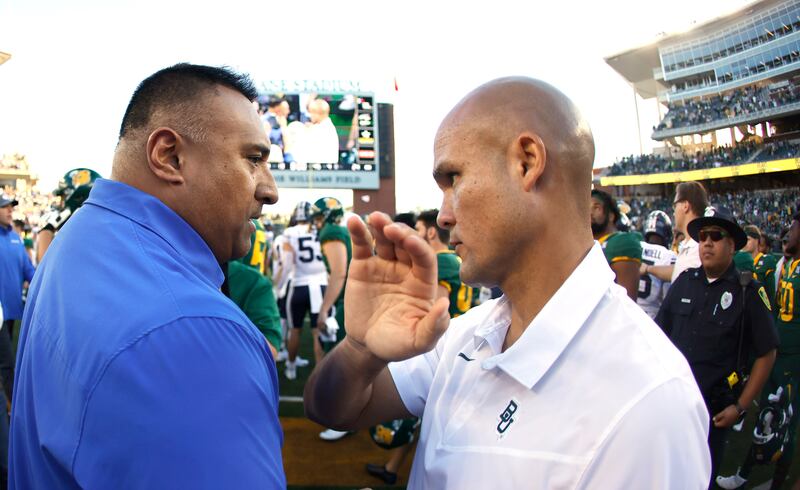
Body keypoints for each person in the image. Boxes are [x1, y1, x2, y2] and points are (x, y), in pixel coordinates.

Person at [304, 77, 710, 488]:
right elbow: (332, 408)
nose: (443, 215)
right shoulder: (467, 333)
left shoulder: (648, 402)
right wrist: (360, 350)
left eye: (454, 179)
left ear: (527, 162)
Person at [9, 63, 286, 488]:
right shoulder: (194, 328)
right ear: (169, 156)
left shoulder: (79, 238)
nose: (269, 190)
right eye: (253, 159)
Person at [655, 206, 777, 489]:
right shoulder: (684, 283)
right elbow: (658, 337)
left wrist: (740, 406)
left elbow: (767, 352)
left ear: (732, 245)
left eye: (716, 236)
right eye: (703, 237)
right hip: (673, 405)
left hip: (713, 413)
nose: (707, 242)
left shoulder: (747, 292)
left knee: (701, 481)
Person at [365, 208, 472, 485]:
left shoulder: (441, 261)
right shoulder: (456, 258)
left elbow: (435, 308)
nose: (417, 232)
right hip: (460, 340)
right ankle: (392, 467)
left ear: (432, 232)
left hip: (444, 345)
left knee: (432, 416)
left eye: (421, 229)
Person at [717, 213, 800, 490]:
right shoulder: (784, 264)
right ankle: (745, 473)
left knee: (784, 422)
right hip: (779, 352)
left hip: (796, 359)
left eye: (795, 228)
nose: (789, 233)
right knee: (768, 416)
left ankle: (776, 481)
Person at [310, 197, 355, 442]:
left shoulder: (332, 232)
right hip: (350, 297)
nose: (316, 222)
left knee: (339, 360)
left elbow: (339, 272)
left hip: (346, 300)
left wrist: (325, 308)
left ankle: (342, 419)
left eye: (318, 217)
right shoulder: (340, 229)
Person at [283, 200, 327, 378]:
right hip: (321, 286)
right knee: (318, 331)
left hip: (299, 284)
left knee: (295, 329)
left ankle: (291, 368)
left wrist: (279, 286)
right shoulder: (322, 231)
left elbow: (286, 263)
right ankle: (320, 373)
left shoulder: (289, 233)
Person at [0, 194, 34, 400]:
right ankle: (13, 407)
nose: (10, 211)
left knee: (10, 361)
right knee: (9, 363)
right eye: (5, 207)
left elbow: (28, 269)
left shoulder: (15, 237)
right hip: (0, 314)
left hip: (13, 311)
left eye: (12, 207)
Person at [645, 181, 709, 283]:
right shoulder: (690, 244)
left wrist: (648, 268)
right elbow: (678, 270)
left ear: (685, 206)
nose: (674, 212)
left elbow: (683, 276)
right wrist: (648, 268)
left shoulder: (699, 245)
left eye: (675, 205)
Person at [35, 168, 101, 264]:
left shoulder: (80, 231)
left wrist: (47, 230)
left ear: (78, 197)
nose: (61, 203)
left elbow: (45, 268)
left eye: (63, 197)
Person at [590, 189, 641, 300]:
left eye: (596, 207)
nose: (590, 212)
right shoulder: (587, 244)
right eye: (586, 208)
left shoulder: (620, 242)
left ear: (611, 216)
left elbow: (627, 302)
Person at [639, 210, 677, 319]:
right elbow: (669, 298)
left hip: (631, 315)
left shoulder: (637, 247)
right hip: (653, 320)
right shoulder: (669, 256)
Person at [744, 225, 778, 311]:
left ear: (756, 240)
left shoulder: (767, 260)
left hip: (761, 310)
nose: (744, 243)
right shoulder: (742, 261)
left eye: (748, 239)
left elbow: (770, 295)